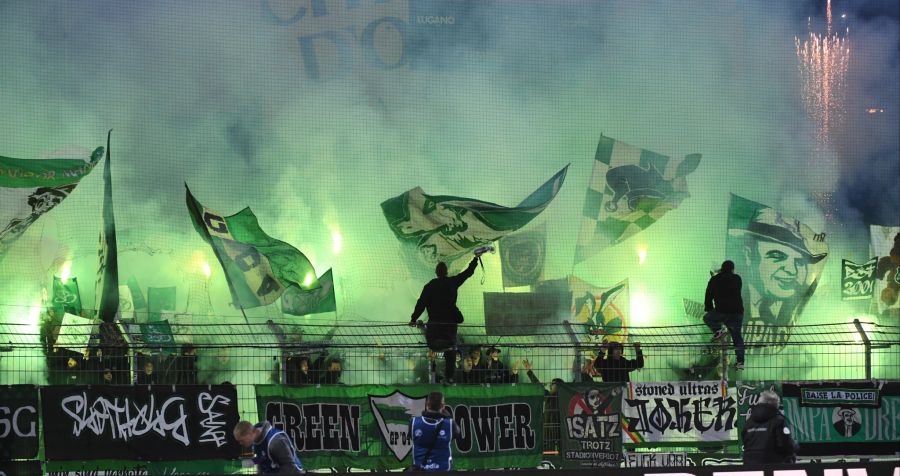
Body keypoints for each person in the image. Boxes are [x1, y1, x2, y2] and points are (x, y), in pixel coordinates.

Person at [730, 208, 826, 328]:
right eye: (778, 256)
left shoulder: (796, 307)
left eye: (800, 261)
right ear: (748, 254)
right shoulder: (730, 298)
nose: (792, 270)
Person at [409, 255, 480, 384]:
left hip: (435, 327)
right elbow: (468, 273)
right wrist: (476, 259)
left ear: (436, 273)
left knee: (438, 346)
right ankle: (450, 377)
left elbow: (421, 303)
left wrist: (413, 318)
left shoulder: (429, 286)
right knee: (451, 351)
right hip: (449, 326)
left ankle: (440, 357)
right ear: (446, 272)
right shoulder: (452, 282)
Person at [704, 260, 746, 370]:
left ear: (722, 268)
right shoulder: (737, 279)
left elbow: (708, 295)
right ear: (732, 269)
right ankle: (740, 362)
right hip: (737, 313)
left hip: (721, 311)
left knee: (708, 318)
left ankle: (719, 330)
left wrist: (709, 308)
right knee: (737, 337)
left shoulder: (714, 280)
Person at [742, 390, 799, 464]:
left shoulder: (749, 422)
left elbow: (745, 442)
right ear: (776, 404)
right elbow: (784, 445)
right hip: (773, 464)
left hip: (750, 464)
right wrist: (795, 446)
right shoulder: (778, 420)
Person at [233, 420, 305, 474]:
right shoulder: (256, 442)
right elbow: (262, 463)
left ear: (249, 434)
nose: (240, 443)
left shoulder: (275, 440)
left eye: (241, 440)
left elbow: (290, 467)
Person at [410, 391, 458, 472]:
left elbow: (412, 437)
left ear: (427, 405)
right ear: (443, 406)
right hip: (443, 469)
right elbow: (456, 434)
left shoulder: (414, 422)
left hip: (420, 469)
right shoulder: (450, 424)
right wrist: (447, 416)